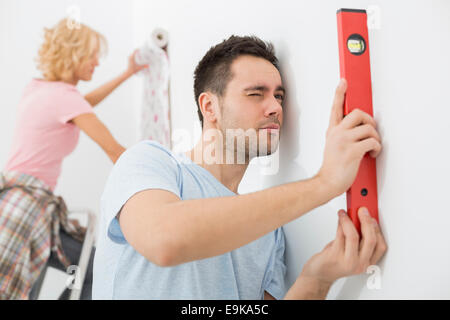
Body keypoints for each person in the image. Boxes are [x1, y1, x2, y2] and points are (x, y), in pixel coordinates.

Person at [92, 35, 387, 300]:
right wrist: (325, 183)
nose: (275, 107)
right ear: (210, 107)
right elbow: (164, 240)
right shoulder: (150, 162)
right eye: (256, 94)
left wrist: (317, 279)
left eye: (279, 96)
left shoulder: (268, 231)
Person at [0, 18, 147, 300]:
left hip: (14, 202)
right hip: (27, 208)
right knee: (93, 271)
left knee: (67, 274)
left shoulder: (40, 89)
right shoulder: (66, 99)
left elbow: (83, 102)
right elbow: (116, 151)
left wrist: (128, 73)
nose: (96, 62)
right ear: (74, 55)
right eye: (92, 56)